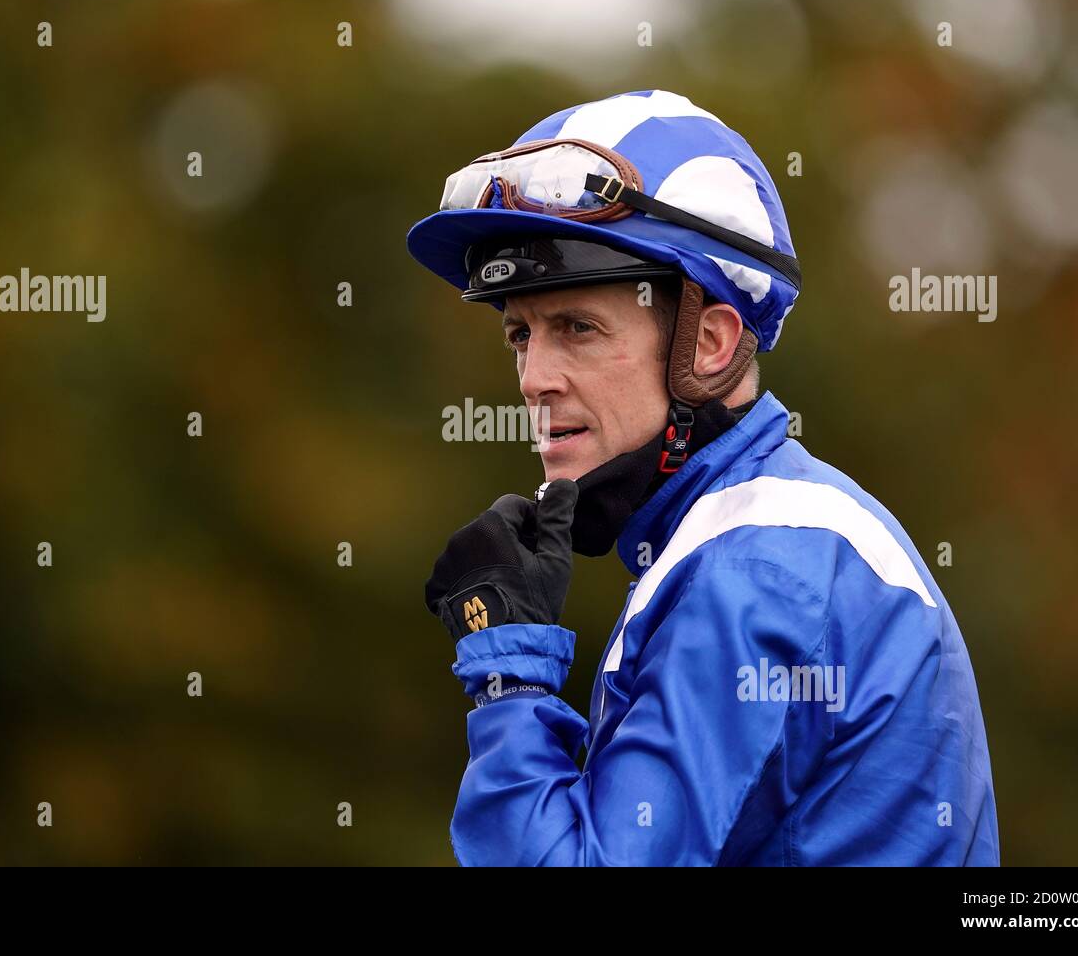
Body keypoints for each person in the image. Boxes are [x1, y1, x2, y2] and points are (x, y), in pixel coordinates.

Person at [407, 90, 1000, 866]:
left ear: (712, 344)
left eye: (577, 329)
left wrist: (509, 681)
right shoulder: (754, 535)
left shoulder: (754, 567)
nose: (533, 377)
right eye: (520, 333)